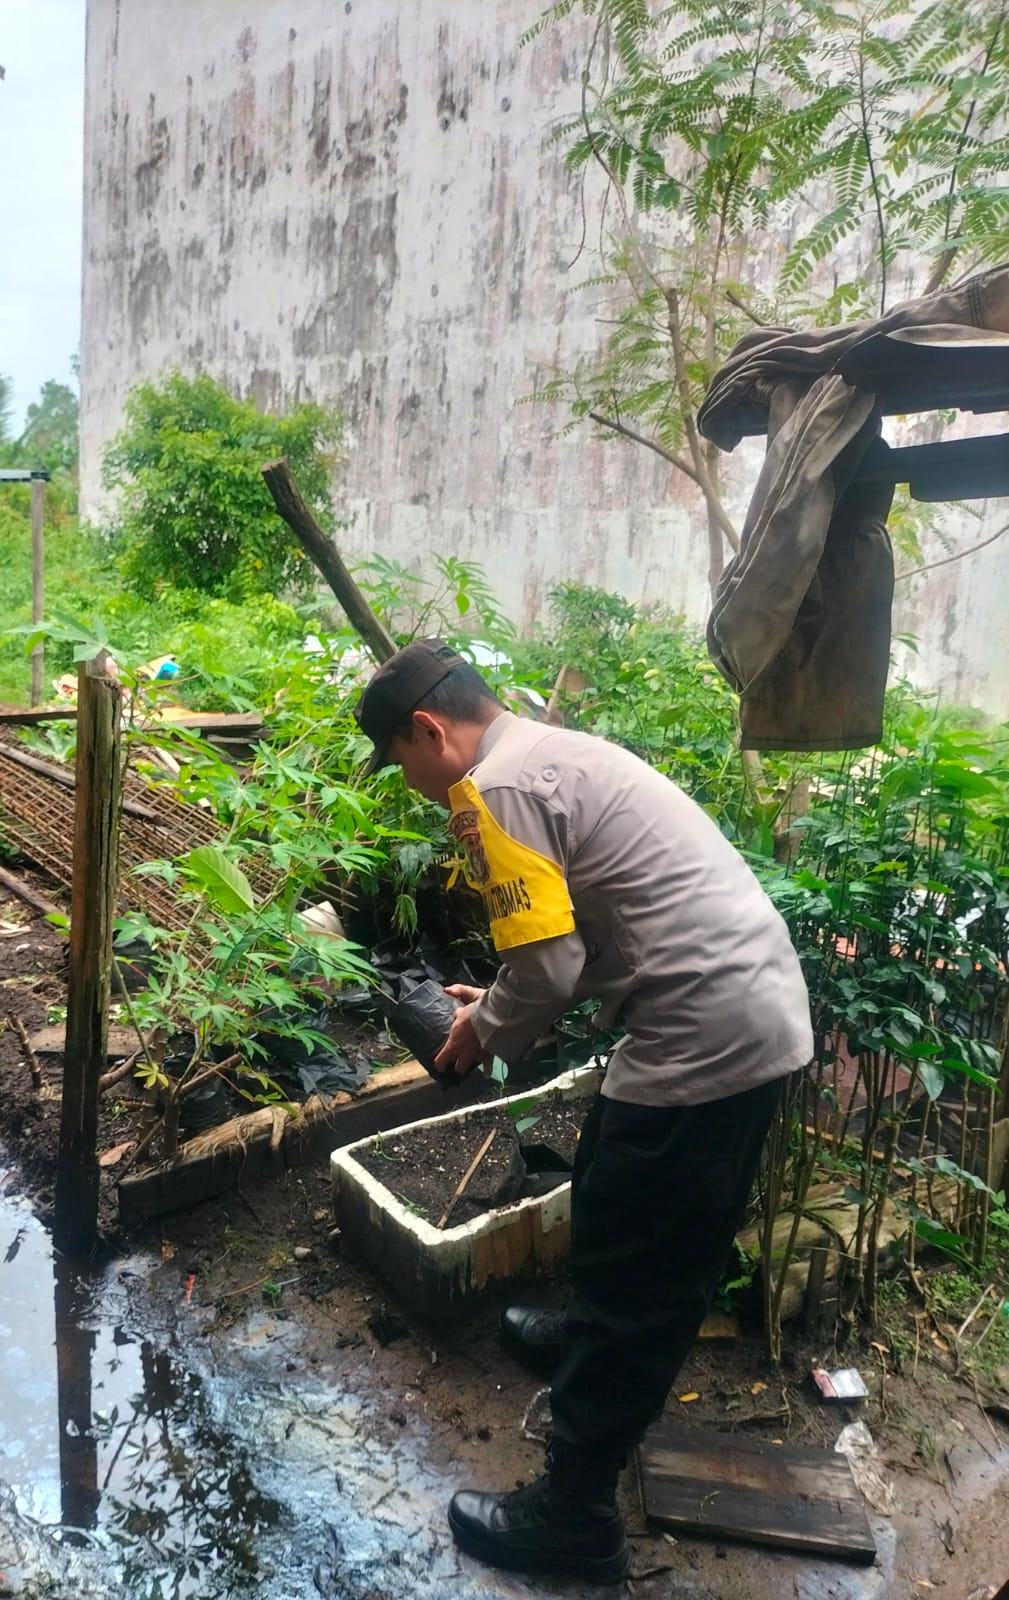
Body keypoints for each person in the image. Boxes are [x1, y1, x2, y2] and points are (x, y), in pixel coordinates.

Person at [354, 638, 813, 1586]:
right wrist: (497, 1004)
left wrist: (479, 1037)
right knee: (609, 1167)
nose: (404, 782)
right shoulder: (549, 754)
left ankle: (574, 1515)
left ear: (429, 730)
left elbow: (553, 969)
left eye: (398, 759)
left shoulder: (499, 791)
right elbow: (560, 947)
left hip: (705, 1031)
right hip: (729, 1007)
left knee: (640, 1261)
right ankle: (586, 1337)